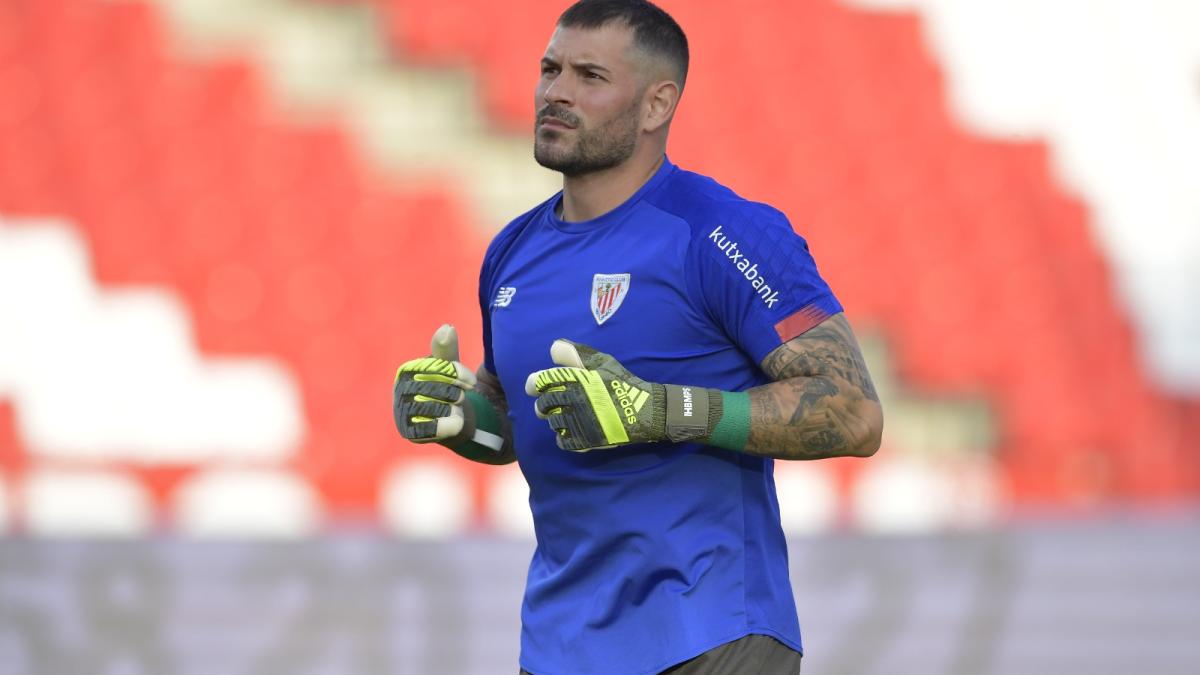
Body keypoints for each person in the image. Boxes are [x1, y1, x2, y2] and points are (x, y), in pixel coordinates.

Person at [392, 1, 884, 673]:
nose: (557, 92)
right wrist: (460, 420)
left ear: (657, 105)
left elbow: (853, 411)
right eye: (549, 69)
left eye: (590, 76)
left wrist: (658, 410)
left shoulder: (723, 232)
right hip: (561, 647)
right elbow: (514, 426)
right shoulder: (510, 252)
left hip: (713, 633)